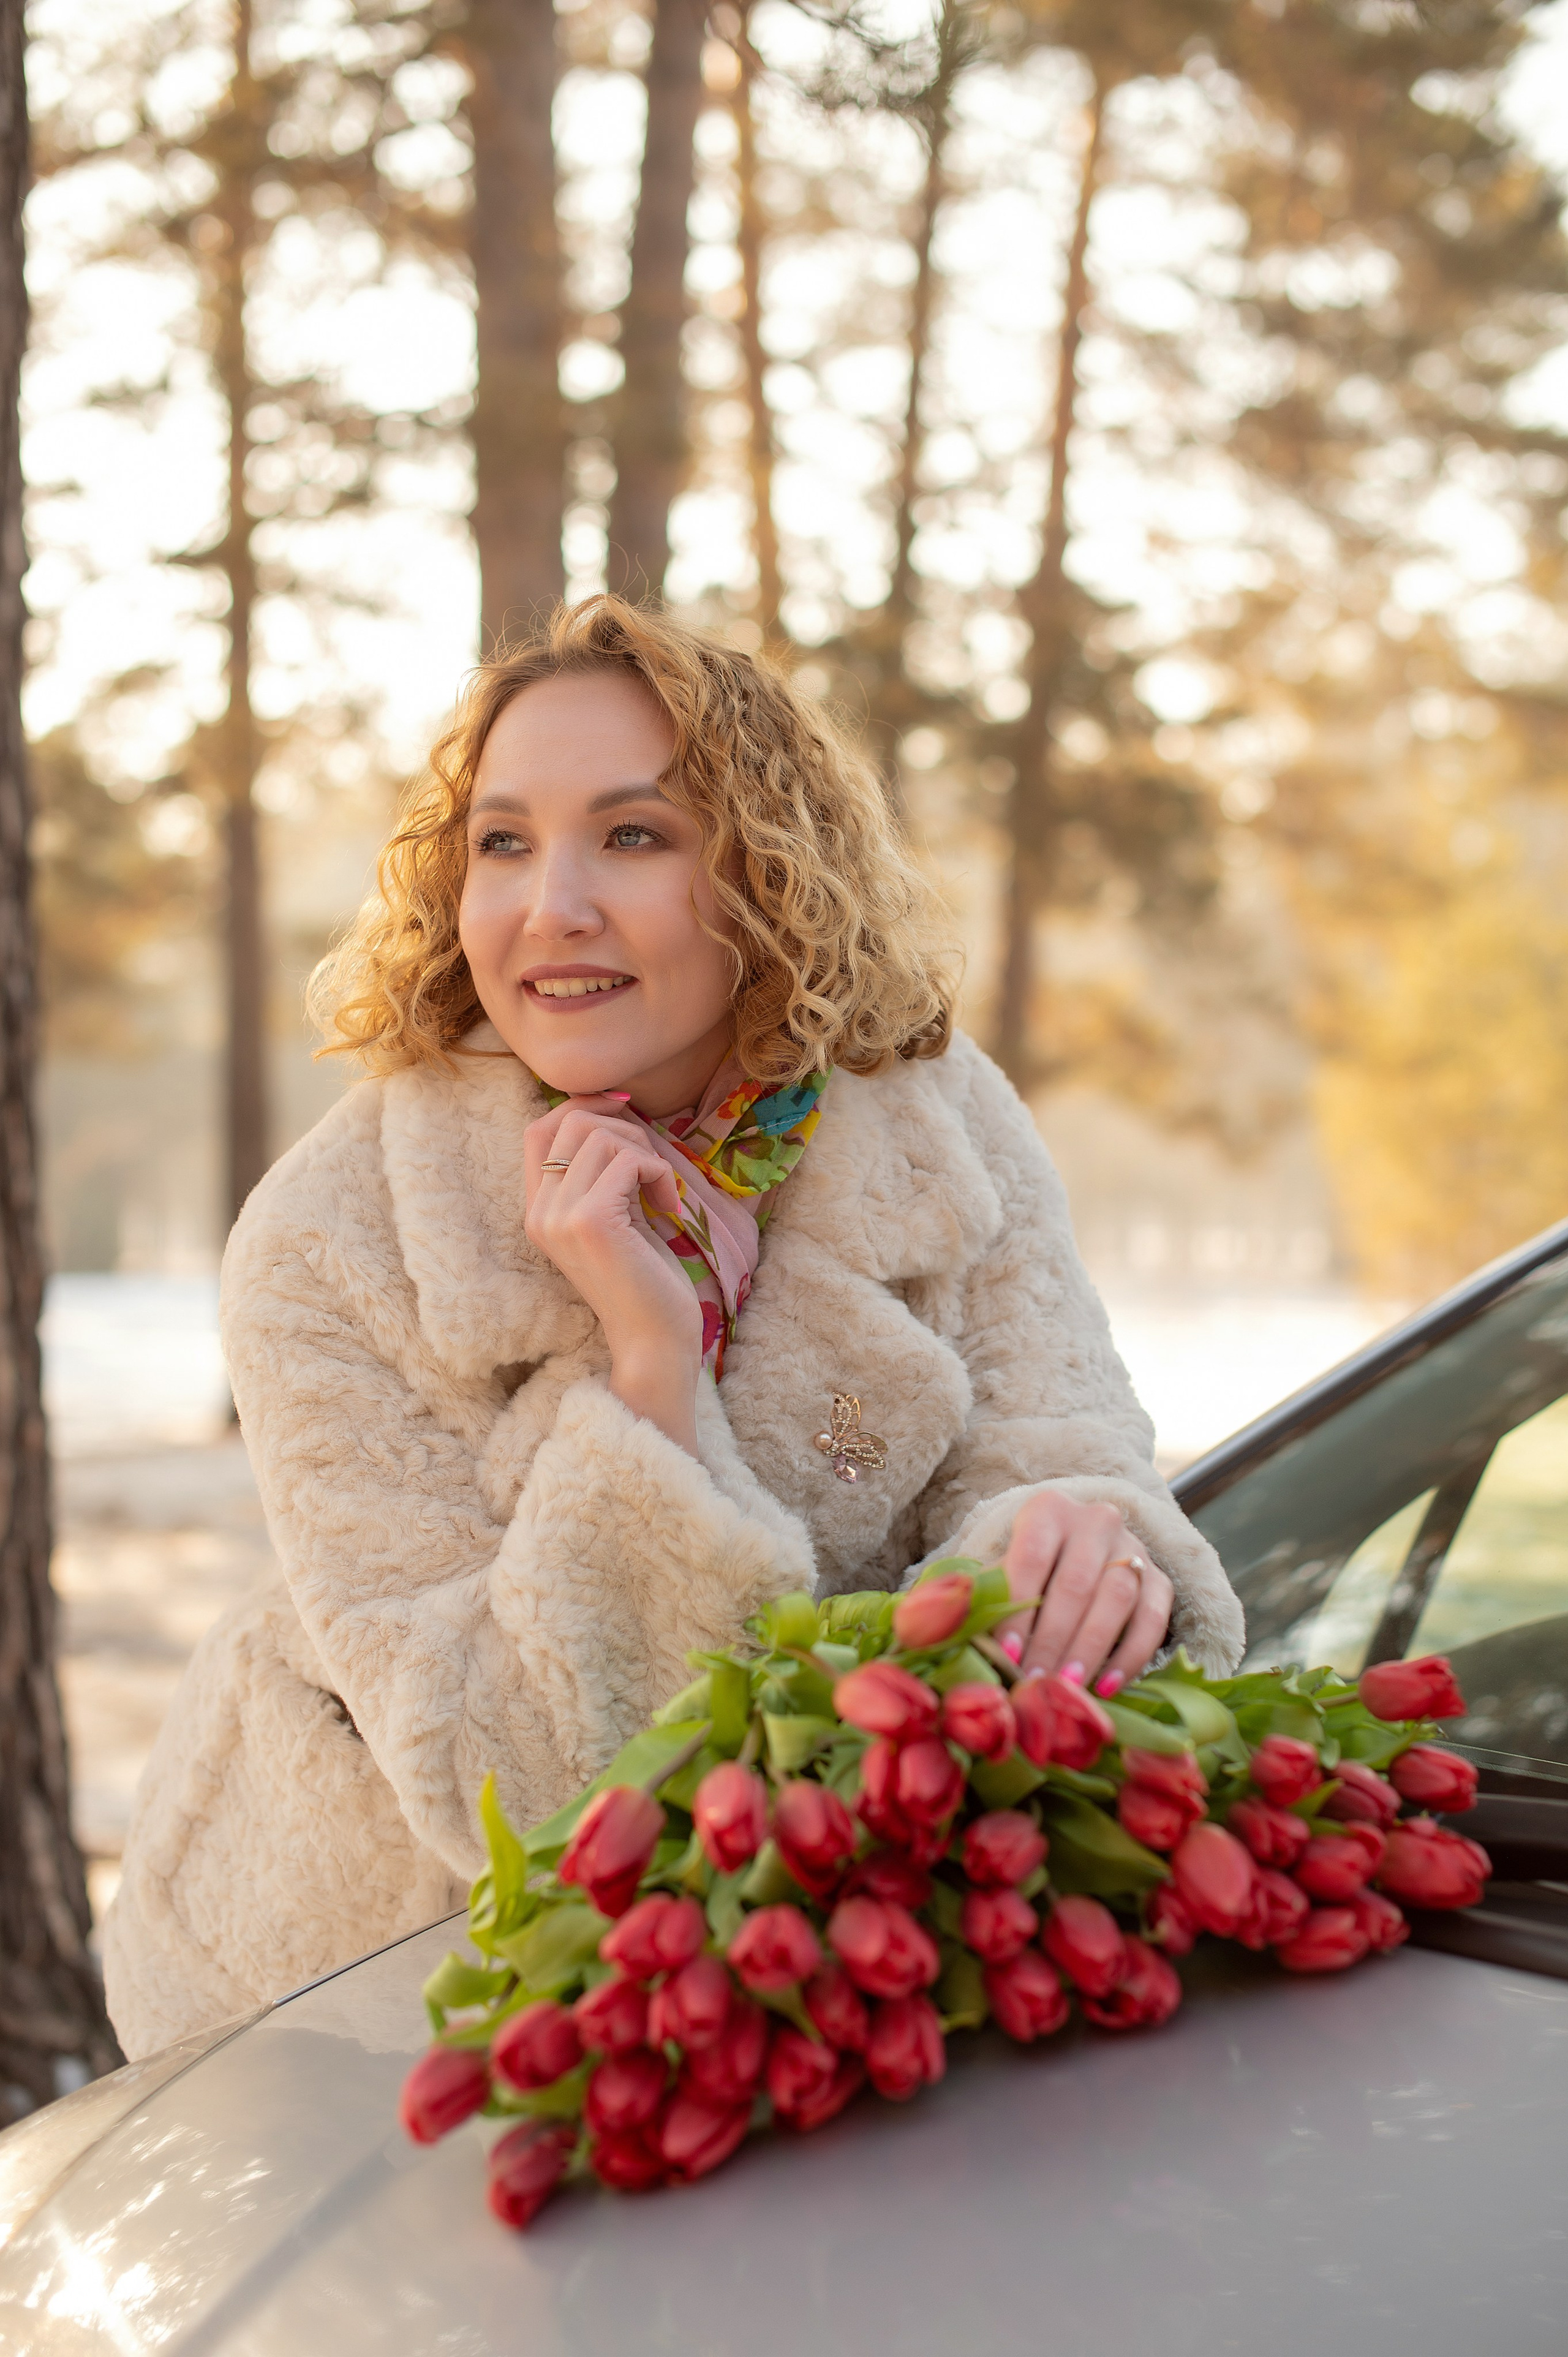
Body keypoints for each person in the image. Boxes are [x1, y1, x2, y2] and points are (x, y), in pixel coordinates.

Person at [103, 597, 1242, 2057]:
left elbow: (1058, 1450)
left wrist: (1068, 1534)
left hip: (828, 1946)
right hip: (372, 1998)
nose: (546, 906)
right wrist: (651, 1359)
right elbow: (520, 1782)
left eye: (632, 835)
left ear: (765, 870)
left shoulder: (936, 1121)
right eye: (501, 841)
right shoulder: (334, 1241)